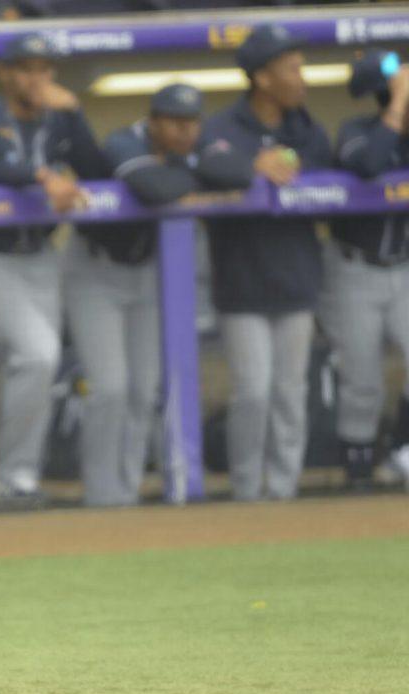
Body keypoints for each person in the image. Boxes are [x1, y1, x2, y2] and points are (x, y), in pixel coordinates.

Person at [69, 84, 252, 506]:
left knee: (143, 389)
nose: (185, 132)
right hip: (96, 270)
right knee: (110, 386)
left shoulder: (198, 144)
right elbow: (152, 187)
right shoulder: (123, 140)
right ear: (153, 121)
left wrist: (182, 171)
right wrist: (195, 173)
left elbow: (240, 174)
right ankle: (101, 494)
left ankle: (127, 489)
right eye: (174, 122)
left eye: (191, 123)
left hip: (148, 271)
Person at [0, 33, 105, 507]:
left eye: (44, 68)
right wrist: (43, 176)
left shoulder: (59, 119)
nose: (36, 78)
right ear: (7, 73)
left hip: (40, 256)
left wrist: (76, 113)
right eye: (26, 68)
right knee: (38, 355)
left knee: (38, 363)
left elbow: (97, 170)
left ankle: (20, 480)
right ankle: (14, 481)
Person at [200, 24, 332, 501]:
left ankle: (283, 488)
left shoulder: (305, 127)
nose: (302, 79)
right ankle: (246, 490)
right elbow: (210, 163)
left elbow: (324, 167)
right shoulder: (224, 126)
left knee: (289, 393)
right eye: (292, 69)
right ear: (263, 78)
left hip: (296, 275)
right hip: (243, 281)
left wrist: (288, 162)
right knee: (253, 391)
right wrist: (254, 167)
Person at [323, 50, 409, 489]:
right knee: (362, 379)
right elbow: (370, 165)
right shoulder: (357, 132)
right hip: (355, 269)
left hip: (404, 269)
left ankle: (400, 449)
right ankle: (357, 470)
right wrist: (398, 104)